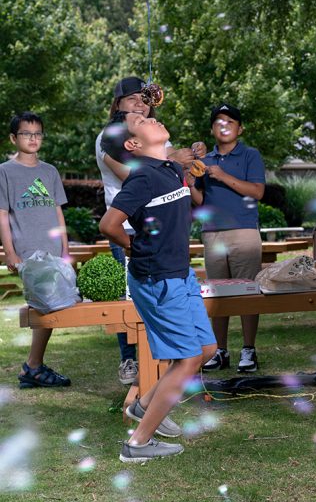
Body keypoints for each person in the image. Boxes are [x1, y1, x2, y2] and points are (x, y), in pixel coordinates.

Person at [99, 110, 216, 463]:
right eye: (142, 122)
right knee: (188, 359)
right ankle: (138, 445)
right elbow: (109, 224)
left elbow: (185, 173)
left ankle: (144, 405)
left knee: (206, 350)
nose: (151, 118)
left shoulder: (167, 168)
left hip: (180, 274)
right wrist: (135, 248)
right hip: (157, 278)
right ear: (134, 144)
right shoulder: (142, 178)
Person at [96, 76, 205, 385]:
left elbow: (173, 172)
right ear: (117, 105)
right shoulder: (111, 134)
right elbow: (136, 173)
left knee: (168, 313)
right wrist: (174, 159)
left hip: (164, 232)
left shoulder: (149, 129)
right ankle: (131, 362)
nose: (140, 103)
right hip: (129, 229)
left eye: (144, 100)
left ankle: (166, 375)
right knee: (136, 305)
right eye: (133, 99)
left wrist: (191, 159)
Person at [188, 104, 266, 373]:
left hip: (244, 232)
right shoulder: (204, 160)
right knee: (217, 294)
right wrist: (189, 181)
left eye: (230, 122)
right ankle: (219, 350)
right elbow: (199, 202)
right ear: (212, 129)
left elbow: (256, 192)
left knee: (247, 292)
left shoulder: (250, 155)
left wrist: (223, 176)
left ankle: (249, 350)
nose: (224, 126)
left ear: (239, 128)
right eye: (219, 122)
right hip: (212, 233)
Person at [0, 113, 72, 389]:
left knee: (47, 306)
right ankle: (32, 366)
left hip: (53, 251)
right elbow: (2, 214)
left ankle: (33, 367)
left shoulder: (50, 171)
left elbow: (57, 211)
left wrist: (65, 248)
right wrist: (10, 252)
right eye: (26, 133)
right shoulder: (5, 171)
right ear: (13, 138)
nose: (33, 138)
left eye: (38, 133)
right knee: (45, 306)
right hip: (28, 253)